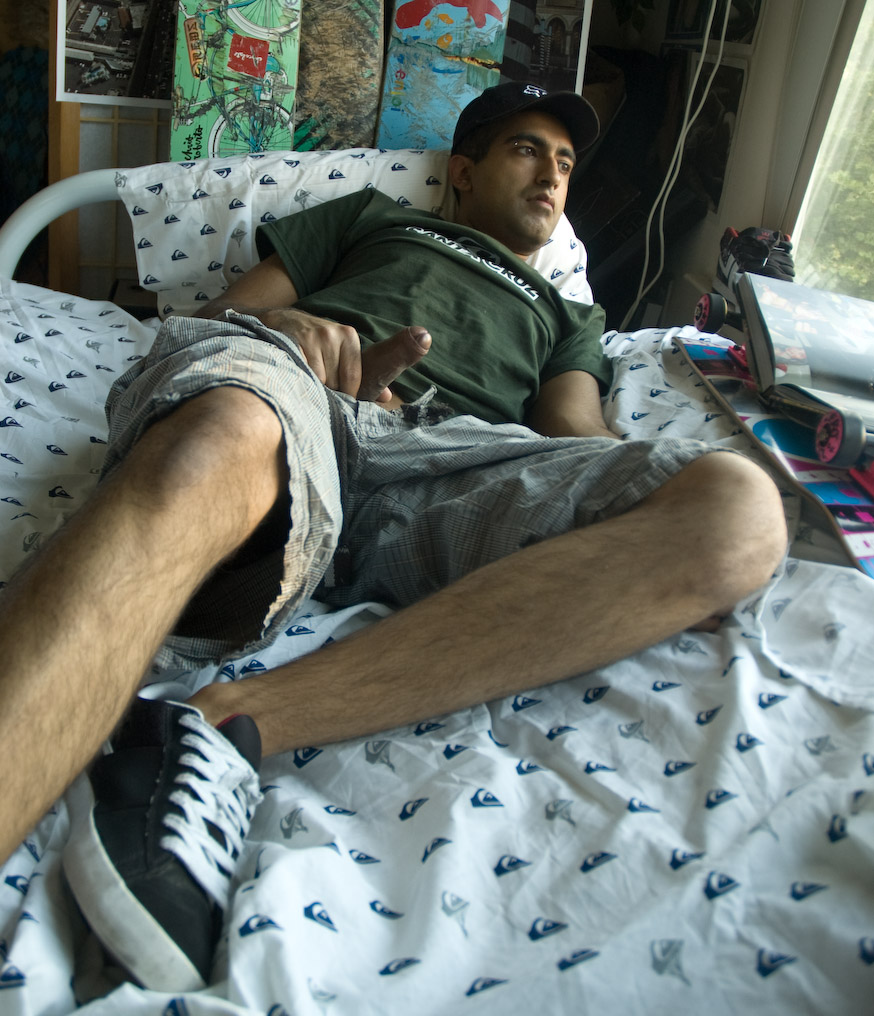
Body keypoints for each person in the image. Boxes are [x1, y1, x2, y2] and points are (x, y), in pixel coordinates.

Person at [0, 83, 787, 992]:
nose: (552, 175)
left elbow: (578, 433)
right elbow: (209, 323)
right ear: (463, 173)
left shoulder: (570, 315)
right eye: (527, 150)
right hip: (297, 392)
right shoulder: (375, 218)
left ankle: (223, 723)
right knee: (214, 442)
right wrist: (284, 328)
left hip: (452, 458)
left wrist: (652, 510)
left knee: (738, 512)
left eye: (566, 164)